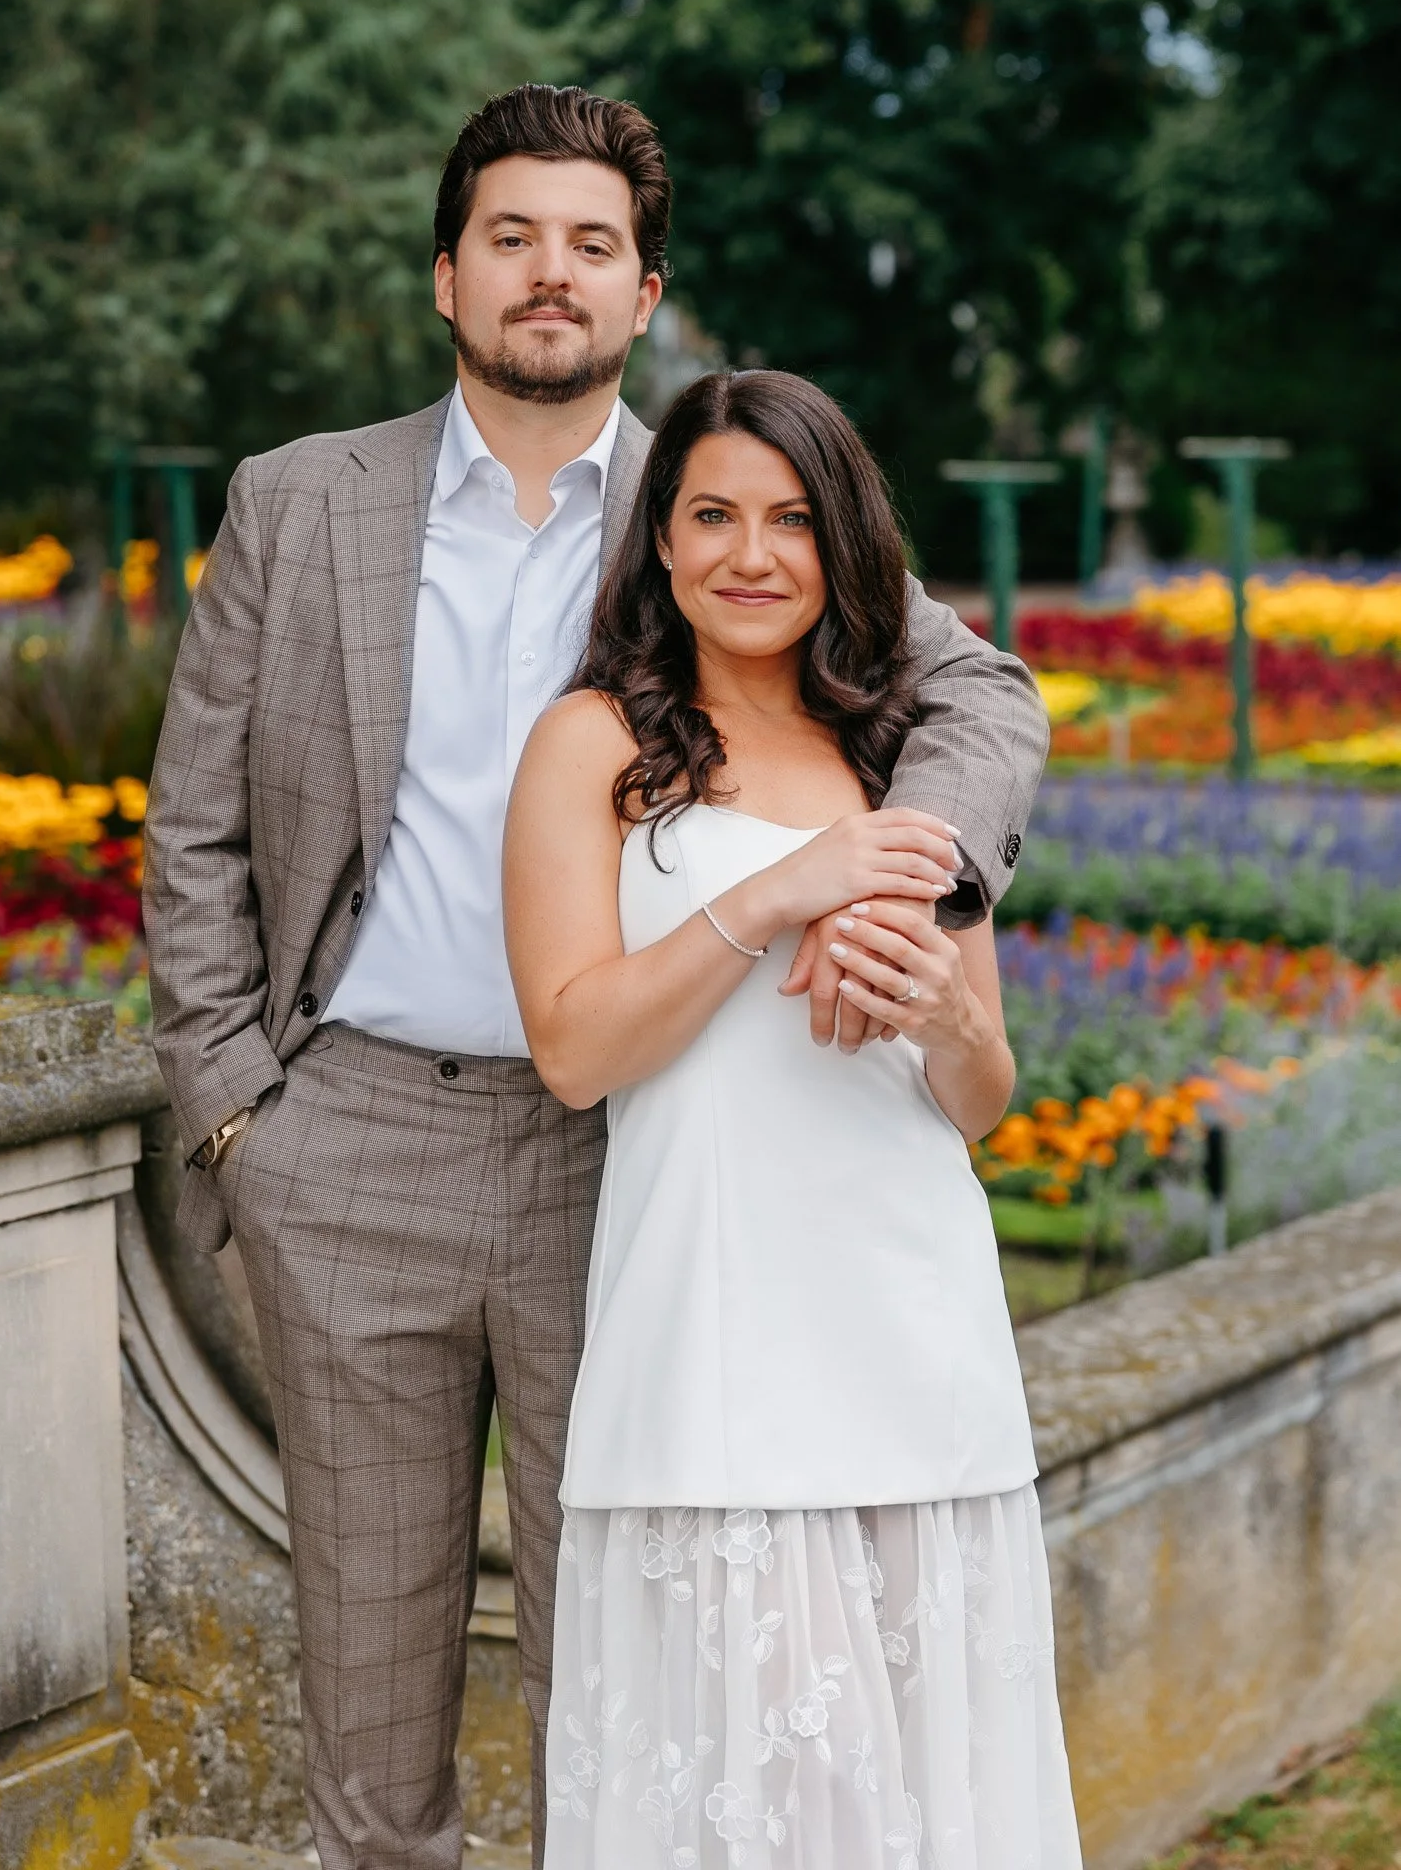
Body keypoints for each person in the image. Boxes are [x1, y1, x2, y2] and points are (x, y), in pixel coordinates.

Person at [143, 84, 1050, 1869]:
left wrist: (912, 884)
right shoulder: (295, 500)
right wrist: (243, 1117)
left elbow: (977, 695)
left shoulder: (721, 499)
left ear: (645, 293)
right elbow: (191, 837)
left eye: (591, 245)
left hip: (632, 1156)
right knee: (371, 1726)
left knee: (634, 1705)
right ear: (444, 275)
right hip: (354, 1149)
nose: (547, 277)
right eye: (510, 238)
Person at [504, 368, 1079, 1869]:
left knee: (933, 1813)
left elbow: (978, 1100)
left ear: (842, 548)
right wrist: (772, 895)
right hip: (717, 1348)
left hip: (913, 1329)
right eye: (711, 517)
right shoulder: (591, 748)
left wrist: (944, 1010)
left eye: (789, 520)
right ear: (660, 545)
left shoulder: (900, 760)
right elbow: (572, 1047)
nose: (750, 555)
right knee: (780, 1813)